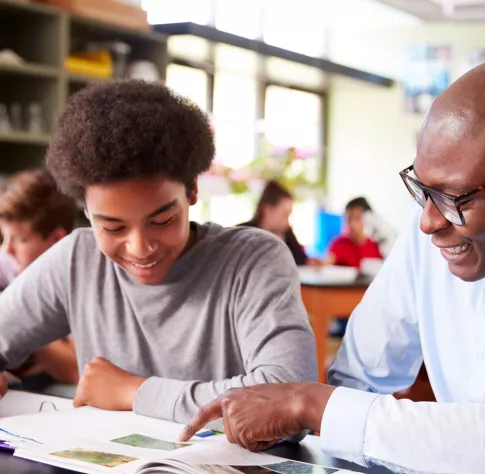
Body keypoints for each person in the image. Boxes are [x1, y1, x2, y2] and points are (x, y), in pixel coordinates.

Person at [180, 59, 485, 474]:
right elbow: (356, 379)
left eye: (453, 198)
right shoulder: (432, 245)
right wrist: (287, 423)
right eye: (422, 189)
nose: (428, 222)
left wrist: (310, 404)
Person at [0, 80, 317, 423]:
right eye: (113, 228)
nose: (141, 247)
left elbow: (292, 397)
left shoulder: (254, 260)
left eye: (163, 220)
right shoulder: (77, 260)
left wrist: (134, 392)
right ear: (86, 211)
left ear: (192, 189)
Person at [0, 170, 79, 387]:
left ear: (57, 239)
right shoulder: (6, 262)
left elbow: (74, 370)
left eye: (20, 239)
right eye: (4, 237)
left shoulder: (79, 282)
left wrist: (20, 321)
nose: (7, 249)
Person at [240, 180, 309, 266]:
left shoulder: (287, 235)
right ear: (267, 210)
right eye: (285, 214)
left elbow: (301, 259)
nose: (287, 221)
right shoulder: (242, 235)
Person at [327, 197, 383, 269]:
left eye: (357, 218)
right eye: (349, 219)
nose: (352, 224)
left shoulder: (375, 246)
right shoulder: (339, 244)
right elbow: (327, 262)